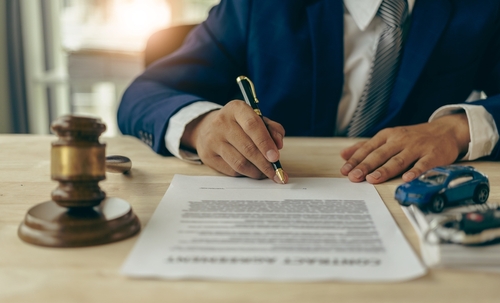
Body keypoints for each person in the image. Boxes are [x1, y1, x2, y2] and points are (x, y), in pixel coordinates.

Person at [117, 0, 500, 185]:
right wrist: (200, 127)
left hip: (408, 203)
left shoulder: (482, 9)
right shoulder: (256, 6)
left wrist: (458, 130)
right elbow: (144, 94)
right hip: (275, 198)